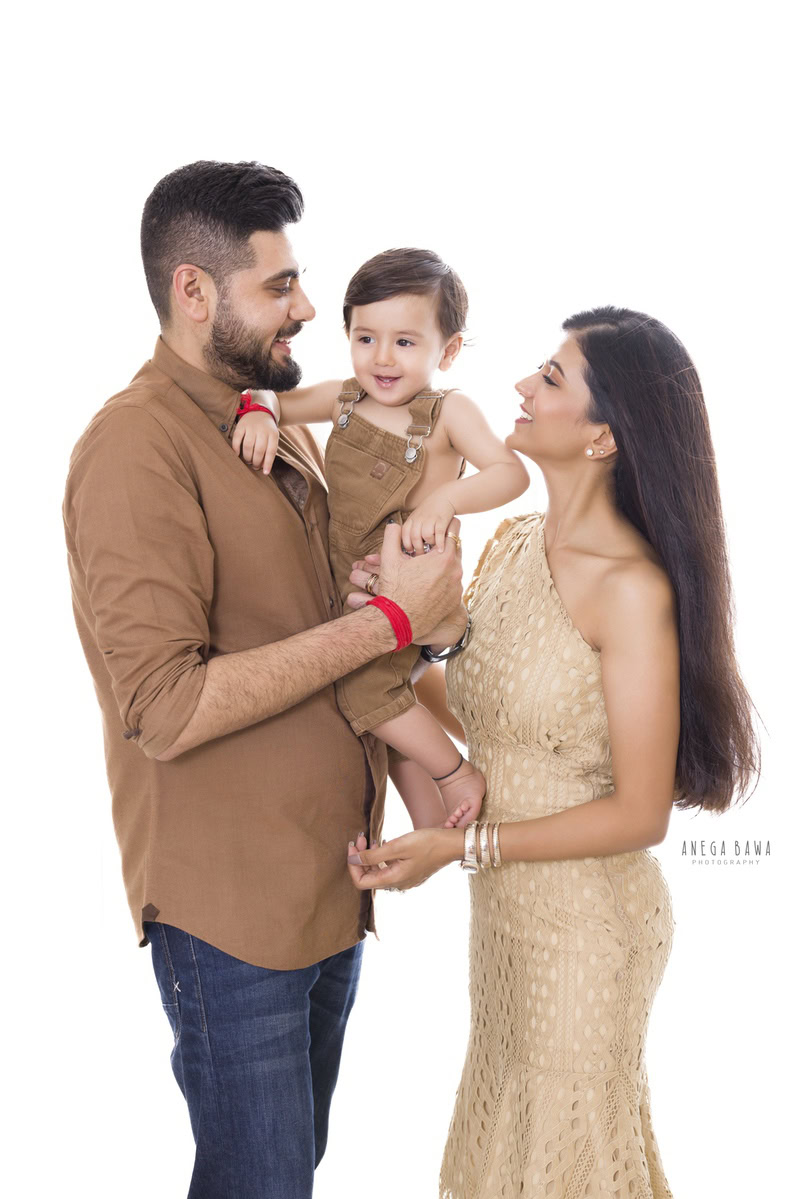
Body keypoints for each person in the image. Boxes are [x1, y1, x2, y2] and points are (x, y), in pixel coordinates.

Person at [62, 159, 467, 1199]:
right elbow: (165, 705)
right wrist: (385, 619)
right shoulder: (134, 446)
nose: (305, 307)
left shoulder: (272, 424)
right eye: (277, 285)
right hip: (231, 917)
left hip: (325, 892)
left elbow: (329, 631)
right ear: (196, 292)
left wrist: (404, 628)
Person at [346, 306, 760, 1197]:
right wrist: (386, 626)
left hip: (587, 936)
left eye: (551, 379)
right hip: (505, 926)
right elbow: (475, 710)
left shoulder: (632, 588)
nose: (521, 389)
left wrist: (460, 845)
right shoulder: (515, 539)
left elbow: (639, 813)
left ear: (605, 436)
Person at [230, 247, 529, 829]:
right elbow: (274, 398)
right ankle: (427, 821)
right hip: (350, 584)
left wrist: (445, 499)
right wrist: (260, 412)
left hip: (408, 585)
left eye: (405, 342)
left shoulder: (448, 413)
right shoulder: (344, 400)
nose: (382, 358)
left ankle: (455, 773)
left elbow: (512, 474)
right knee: (381, 709)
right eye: (365, 338)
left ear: (450, 349)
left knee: (366, 695)